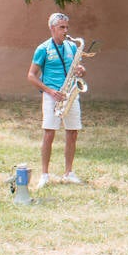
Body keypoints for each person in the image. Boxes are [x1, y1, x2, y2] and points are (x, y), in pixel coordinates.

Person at [28, 12, 86, 189]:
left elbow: (76, 68)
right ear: (52, 28)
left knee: (73, 132)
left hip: (70, 93)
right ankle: (44, 174)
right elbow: (31, 76)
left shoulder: (71, 47)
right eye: (62, 27)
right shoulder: (43, 49)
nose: (66, 31)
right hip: (52, 95)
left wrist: (80, 71)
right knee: (49, 134)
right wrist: (50, 91)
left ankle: (68, 172)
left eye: (67, 27)